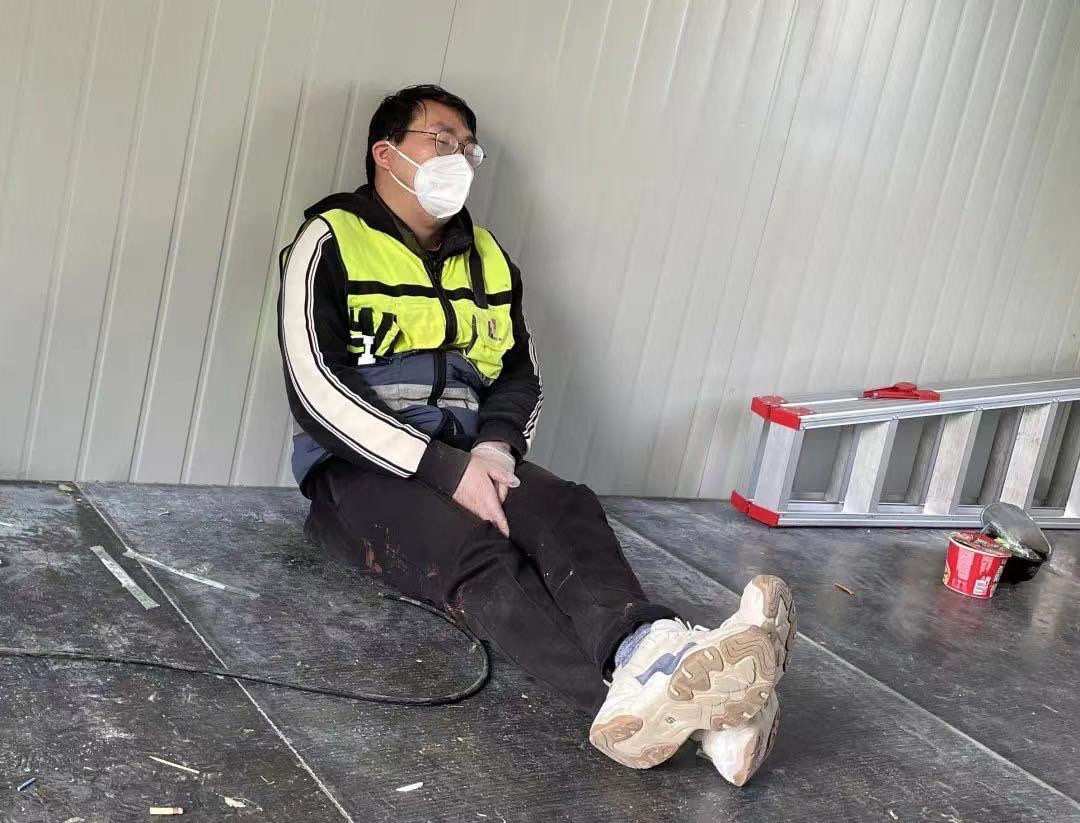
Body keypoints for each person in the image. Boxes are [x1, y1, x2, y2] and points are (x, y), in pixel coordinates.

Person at [275, 84, 796, 784]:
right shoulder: (328, 241)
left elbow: (521, 374)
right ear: (386, 153)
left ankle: (656, 656)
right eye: (441, 139)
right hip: (359, 473)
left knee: (564, 506)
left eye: (468, 147)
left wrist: (493, 448)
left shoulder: (489, 257)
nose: (458, 156)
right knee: (480, 555)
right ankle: (666, 702)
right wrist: (444, 471)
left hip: (472, 452)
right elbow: (315, 387)